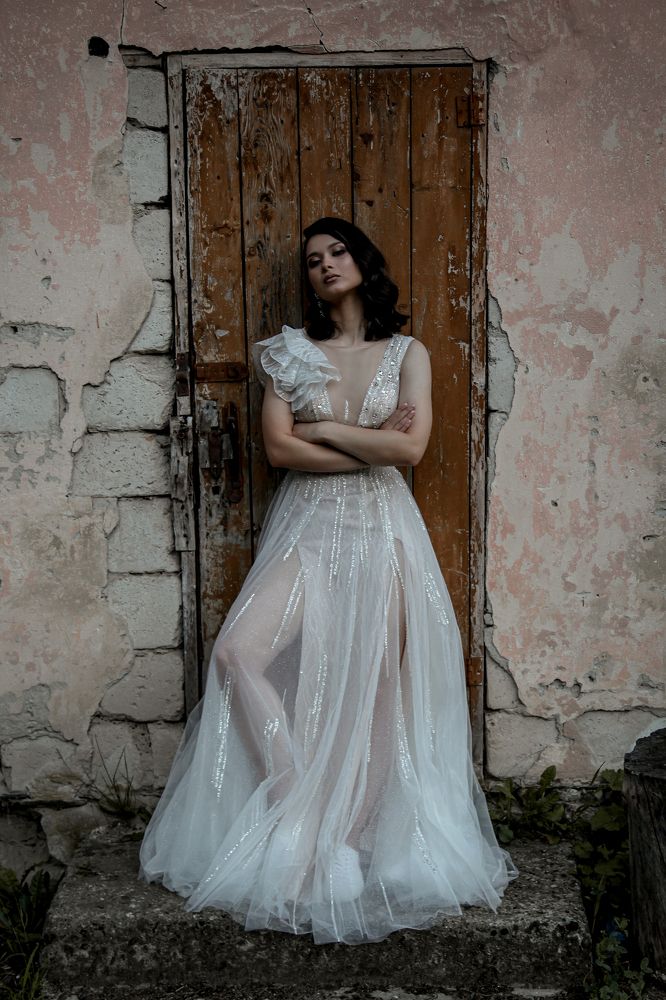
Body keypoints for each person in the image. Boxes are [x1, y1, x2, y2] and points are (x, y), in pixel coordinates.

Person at [139, 217, 516, 944]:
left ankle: (342, 840)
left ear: (362, 261)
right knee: (237, 653)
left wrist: (324, 431)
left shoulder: (407, 353)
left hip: (383, 531)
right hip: (309, 527)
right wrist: (366, 444)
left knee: (376, 686)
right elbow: (280, 451)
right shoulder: (289, 355)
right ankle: (299, 802)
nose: (325, 265)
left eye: (337, 252)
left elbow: (412, 448)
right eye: (313, 260)